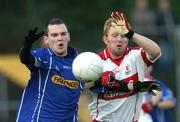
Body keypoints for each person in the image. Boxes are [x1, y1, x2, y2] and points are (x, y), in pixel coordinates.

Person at [16, 18, 95, 122]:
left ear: (69, 36)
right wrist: (26, 48)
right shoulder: (44, 56)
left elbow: (92, 82)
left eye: (63, 34)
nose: (59, 38)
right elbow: (26, 59)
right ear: (46, 39)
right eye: (54, 35)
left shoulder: (80, 62)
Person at [88, 11, 161, 122]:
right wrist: (98, 81)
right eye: (114, 35)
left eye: (123, 35)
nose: (119, 39)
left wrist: (131, 34)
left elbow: (156, 52)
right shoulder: (96, 62)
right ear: (105, 39)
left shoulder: (136, 56)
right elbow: (79, 85)